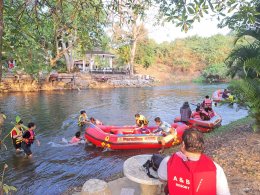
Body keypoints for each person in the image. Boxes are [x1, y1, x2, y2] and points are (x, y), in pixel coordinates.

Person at [158, 129, 230, 195]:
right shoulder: (216, 168)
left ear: (183, 145)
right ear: (201, 145)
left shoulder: (168, 161)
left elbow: (162, 178)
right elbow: (224, 193)